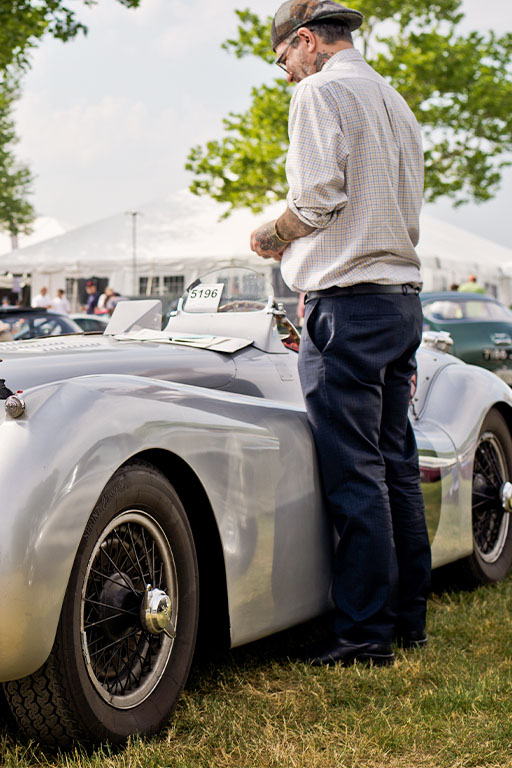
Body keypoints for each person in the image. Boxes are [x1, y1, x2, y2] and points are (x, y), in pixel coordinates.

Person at [249, 1, 430, 668]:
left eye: (283, 61)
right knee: (394, 464)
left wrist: (273, 234)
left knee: (353, 475)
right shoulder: (394, 100)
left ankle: (363, 636)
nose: (286, 75)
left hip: (347, 302)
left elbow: (318, 196)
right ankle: (407, 619)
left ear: (305, 42)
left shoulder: (321, 92)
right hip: (400, 300)